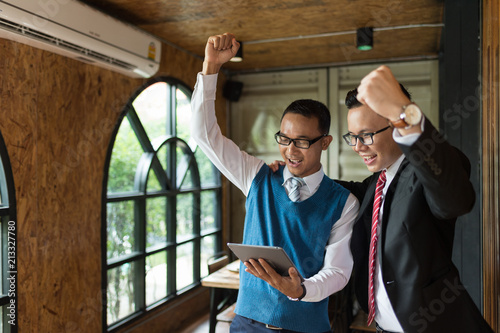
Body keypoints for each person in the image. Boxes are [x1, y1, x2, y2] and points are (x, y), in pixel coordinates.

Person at [191, 32, 359, 333]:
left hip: (306, 327)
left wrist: (300, 290)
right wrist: (211, 68)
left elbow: (338, 270)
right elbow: (205, 136)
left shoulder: (343, 202)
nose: (291, 151)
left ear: (326, 142)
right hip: (246, 324)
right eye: (284, 139)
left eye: (303, 142)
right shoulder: (257, 176)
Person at [336, 66, 494, 333]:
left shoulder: (430, 168)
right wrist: (288, 171)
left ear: (395, 126)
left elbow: (455, 200)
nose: (358, 146)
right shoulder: (376, 184)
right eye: (353, 137)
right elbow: (335, 190)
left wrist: (404, 112)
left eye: (366, 135)